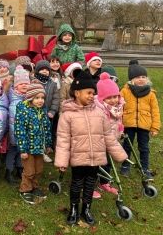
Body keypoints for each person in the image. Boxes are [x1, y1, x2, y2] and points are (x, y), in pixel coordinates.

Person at [55, 70, 127, 226]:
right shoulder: (67, 115)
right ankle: (74, 208)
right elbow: (63, 139)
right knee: (76, 184)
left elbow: (108, 135)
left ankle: (86, 209)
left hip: (95, 158)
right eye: (88, 92)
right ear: (77, 93)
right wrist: (62, 160)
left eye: (93, 93)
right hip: (78, 158)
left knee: (89, 184)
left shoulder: (99, 112)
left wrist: (120, 154)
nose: (91, 96)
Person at [119, 60, 161, 180]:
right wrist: (119, 125)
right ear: (132, 79)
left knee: (144, 147)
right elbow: (119, 108)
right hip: (129, 124)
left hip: (144, 125)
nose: (141, 79)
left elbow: (155, 111)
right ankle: (125, 165)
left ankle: (145, 167)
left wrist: (155, 127)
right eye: (138, 77)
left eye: (143, 77)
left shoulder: (151, 94)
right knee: (127, 145)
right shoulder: (124, 91)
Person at [15, 83, 52, 204]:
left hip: (39, 148)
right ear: (30, 98)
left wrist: (47, 144)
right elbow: (20, 131)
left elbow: (46, 128)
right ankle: (25, 189)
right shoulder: (24, 111)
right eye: (37, 98)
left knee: (38, 169)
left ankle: (34, 187)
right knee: (29, 170)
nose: (40, 101)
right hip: (28, 148)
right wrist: (23, 149)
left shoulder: (42, 111)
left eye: (42, 98)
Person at [94, 72, 125, 198]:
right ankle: (89, 185)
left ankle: (104, 182)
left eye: (115, 96)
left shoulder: (118, 108)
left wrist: (121, 131)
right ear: (102, 99)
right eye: (109, 98)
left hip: (113, 140)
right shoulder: (98, 109)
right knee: (96, 164)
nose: (113, 100)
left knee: (107, 162)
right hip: (100, 141)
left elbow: (119, 122)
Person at [6, 66, 31, 183]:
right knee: (13, 151)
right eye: (21, 84)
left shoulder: (28, 100)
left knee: (22, 152)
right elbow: (12, 122)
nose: (24, 85)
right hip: (15, 135)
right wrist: (14, 137)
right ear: (16, 86)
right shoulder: (15, 102)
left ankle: (20, 169)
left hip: (25, 134)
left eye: (27, 83)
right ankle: (9, 171)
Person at [33, 60, 60, 163]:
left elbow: (56, 99)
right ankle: (38, 151)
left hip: (48, 114)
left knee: (46, 132)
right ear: (37, 71)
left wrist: (53, 111)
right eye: (42, 69)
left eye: (47, 70)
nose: (45, 71)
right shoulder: (34, 82)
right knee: (36, 132)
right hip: (35, 113)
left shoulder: (52, 84)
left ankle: (45, 149)